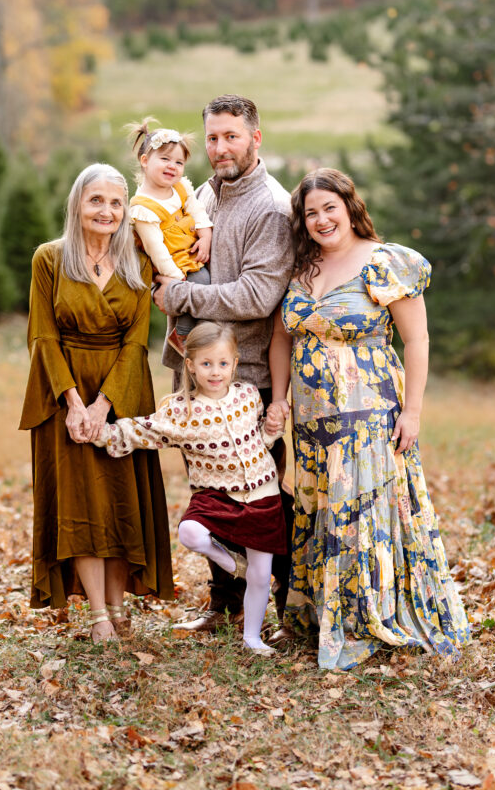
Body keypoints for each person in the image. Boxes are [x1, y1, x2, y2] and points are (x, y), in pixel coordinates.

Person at [268, 167, 471, 669]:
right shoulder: (301, 270)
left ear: (349, 207)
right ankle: (323, 616)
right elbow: (281, 337)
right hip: (313, 420)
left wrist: (414, 411)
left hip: (370, 413)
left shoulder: (384, 263)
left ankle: (366, 617)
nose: (320, 219)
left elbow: (417, 340)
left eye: (328, 208)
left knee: (362, 512)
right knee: (321, 508)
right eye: (310, 213)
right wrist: (280, 398)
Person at [153, 94, 294, 638]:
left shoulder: (271, 209)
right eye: (212, 137)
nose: (219, 147)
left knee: (260, 500)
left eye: (231, 136)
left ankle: (282, 610)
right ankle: (223, 603)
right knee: (211, 494)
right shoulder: (201, 194)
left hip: (248, 379)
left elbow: (258, 296)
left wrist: (183, 295)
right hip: (197, 376)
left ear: (256, 137)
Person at [19, 163, 174, 643]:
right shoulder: (50, 258)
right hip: (62, 388)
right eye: (96, 201)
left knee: (120, 498)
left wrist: (104, 406)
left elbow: (135, 342)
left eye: (115, 202)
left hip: (122, 390)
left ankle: (119, 604)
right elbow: (43, 335)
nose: (105, 211)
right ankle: (98, 617)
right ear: (77, 206)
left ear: (125, 209)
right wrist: (73, 404)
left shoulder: (138, 262)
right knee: (80, 502)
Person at [87, 322, 287, 656]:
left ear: (235, 364)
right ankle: (231, 563)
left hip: (263, 494)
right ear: (191, 365)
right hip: (217, 495)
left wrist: (270, 430)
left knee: (261, 575)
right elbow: (145, 431)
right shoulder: (182, 410)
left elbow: (259, 443)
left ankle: (252, 637)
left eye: (223, 364)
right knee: (191, 534)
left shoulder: (248, 396)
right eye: (206, 364)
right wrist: (101, 433)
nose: (215, 372)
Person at [128, 118, 213, 355]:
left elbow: (198, 212)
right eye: (164, 159)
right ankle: (182, 336)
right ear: (145, 161)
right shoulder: (143, 207)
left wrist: (205, 236)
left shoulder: (181, 188)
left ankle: (197, 334)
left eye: (179, 162)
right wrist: (177, 281)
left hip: (191, 253)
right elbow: (156, 250)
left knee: (207, 283)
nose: (172, 166)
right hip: (174, 264)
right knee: (201, 284)